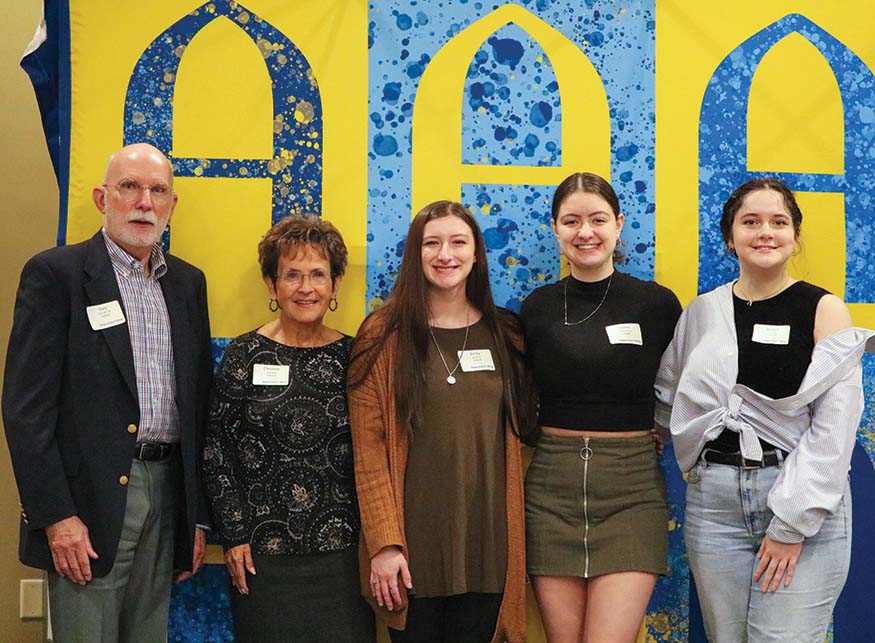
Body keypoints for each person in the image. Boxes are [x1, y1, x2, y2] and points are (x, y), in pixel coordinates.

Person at [2, 143, 212, 642]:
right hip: (88, 504)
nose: (144, 201)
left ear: (171, 205)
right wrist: (55, 515)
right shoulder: (58, 275)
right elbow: (25, 411)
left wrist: (196, 515)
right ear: (102, 198)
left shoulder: (187, 284)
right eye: (130, 187)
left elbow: (200, 405)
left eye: (158, 190)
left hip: (168, 492)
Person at [655, 178, 873, 642]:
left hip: (798, 498)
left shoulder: (825, 310)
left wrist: (793, 521)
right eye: (750, 222)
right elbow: (670, 391)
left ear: (795, 237)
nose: (765, 232)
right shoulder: (701, 312)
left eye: (779, 222)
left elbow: (835, 427)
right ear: (730, 237)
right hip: (714, 506)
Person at [347, 201, 534, 643]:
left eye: (457, 242)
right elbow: (368, 451)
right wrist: (385, 543)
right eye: (431, 243)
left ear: (476, 255)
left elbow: (534, 421)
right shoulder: (381, 334)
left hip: (488, 550)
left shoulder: (506, 334)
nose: (444, 254)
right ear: (416, 254)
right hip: (413, 555)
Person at [520, 172, 682, 642]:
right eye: (571, 221)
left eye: (597, 219)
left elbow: (686, 384)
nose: (585, 232)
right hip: (551, 488)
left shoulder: (656, 304)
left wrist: (664, 429)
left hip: (631, 489)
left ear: (619, 224)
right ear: (555, 229)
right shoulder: (537, 308)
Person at [203, 216, 374, 643]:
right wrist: (236, 534)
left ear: (335, 284)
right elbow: (216, 448)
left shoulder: (354, 356)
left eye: (318, 274)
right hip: (263, 557)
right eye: (292, 275)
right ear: (271, 283)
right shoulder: (245, 353)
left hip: (343, 557)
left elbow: (376, 449)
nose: (305, 287)